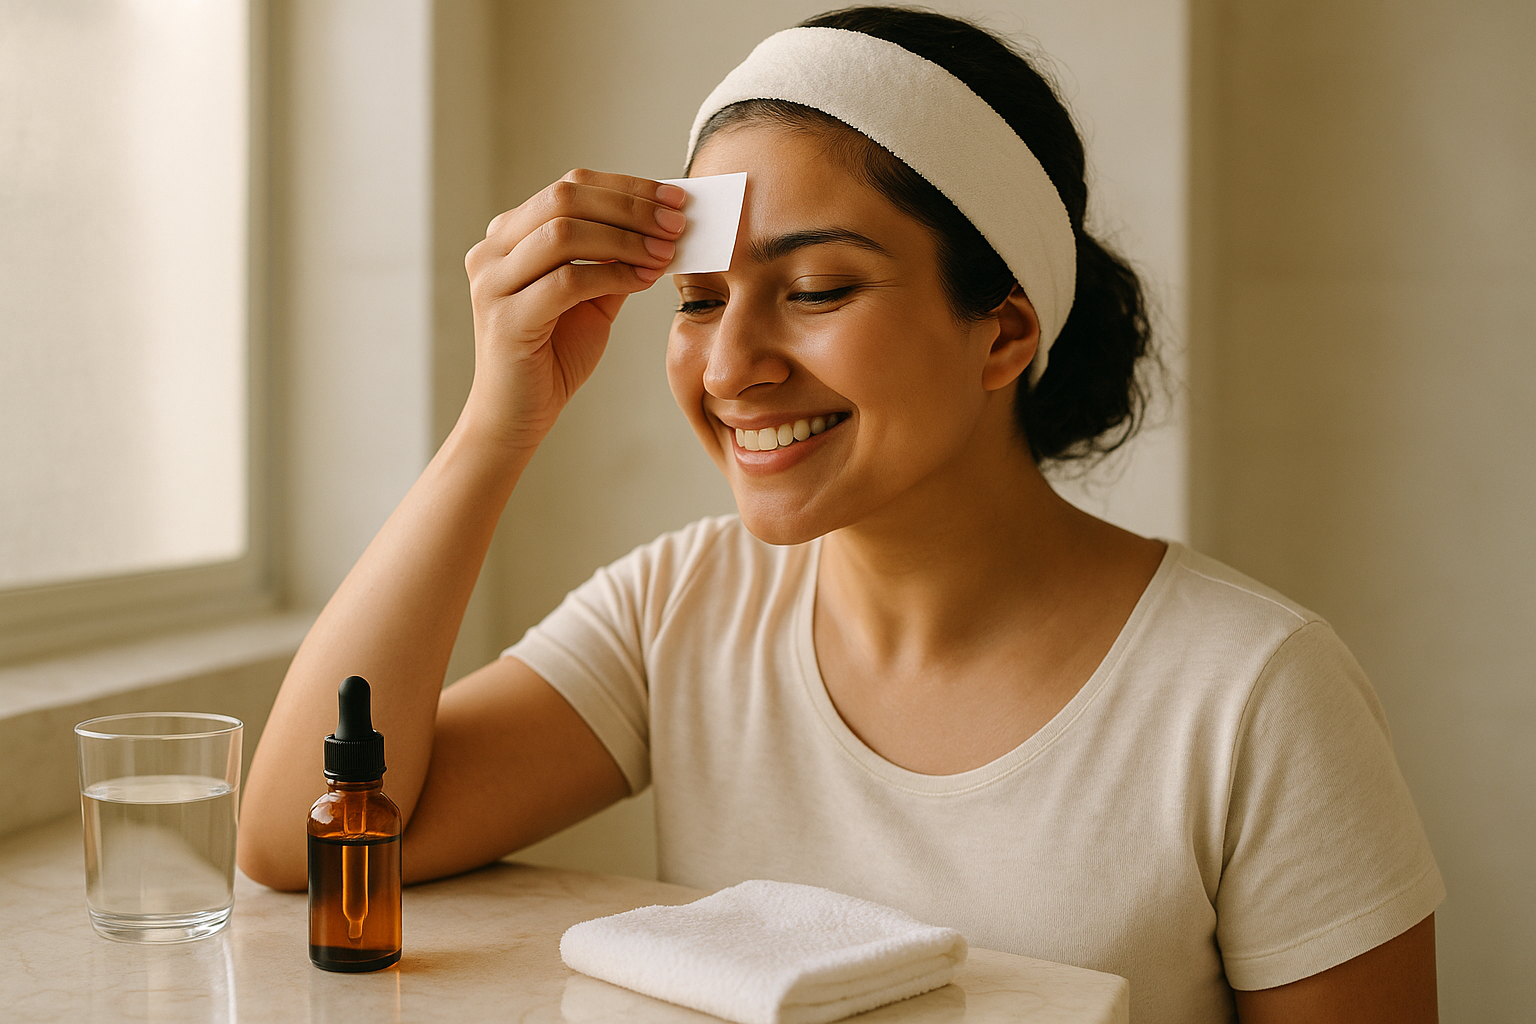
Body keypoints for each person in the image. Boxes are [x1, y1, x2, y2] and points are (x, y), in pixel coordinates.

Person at [238, 7, 1442, 1022]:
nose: (731, 367)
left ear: (1005, 330)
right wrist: (497, 423)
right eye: (699, 302)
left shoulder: (1253, 694)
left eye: (816, 288)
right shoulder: (683, 611)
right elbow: (312, 839)